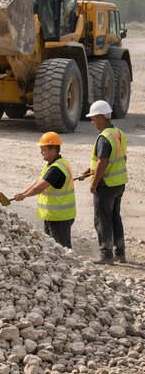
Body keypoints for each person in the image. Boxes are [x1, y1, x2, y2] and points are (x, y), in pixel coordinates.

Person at [82, 99, 128, 265]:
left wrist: (94, 183)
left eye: (93, 118)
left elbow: (103, 161)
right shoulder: (119, 133)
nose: (92, 121)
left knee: (102, 219)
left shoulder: (104, 137)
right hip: (119, 183)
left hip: (106, 185)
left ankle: (106, 255)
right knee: (115, 217)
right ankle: (120, 253)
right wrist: (91, 170)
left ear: (101, 117)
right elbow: (120, 158)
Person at [14, 131, 76, 248]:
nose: (40, 152)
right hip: (53, 215)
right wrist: (23, 192)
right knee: (53, 246)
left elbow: (40, 187)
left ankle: (65, 265)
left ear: (52, 150)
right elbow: (37, 182)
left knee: (61, 248)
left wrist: (25, 196)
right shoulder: (53, 164)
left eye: (43, 150)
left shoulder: (56, 169)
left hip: (59, 217)